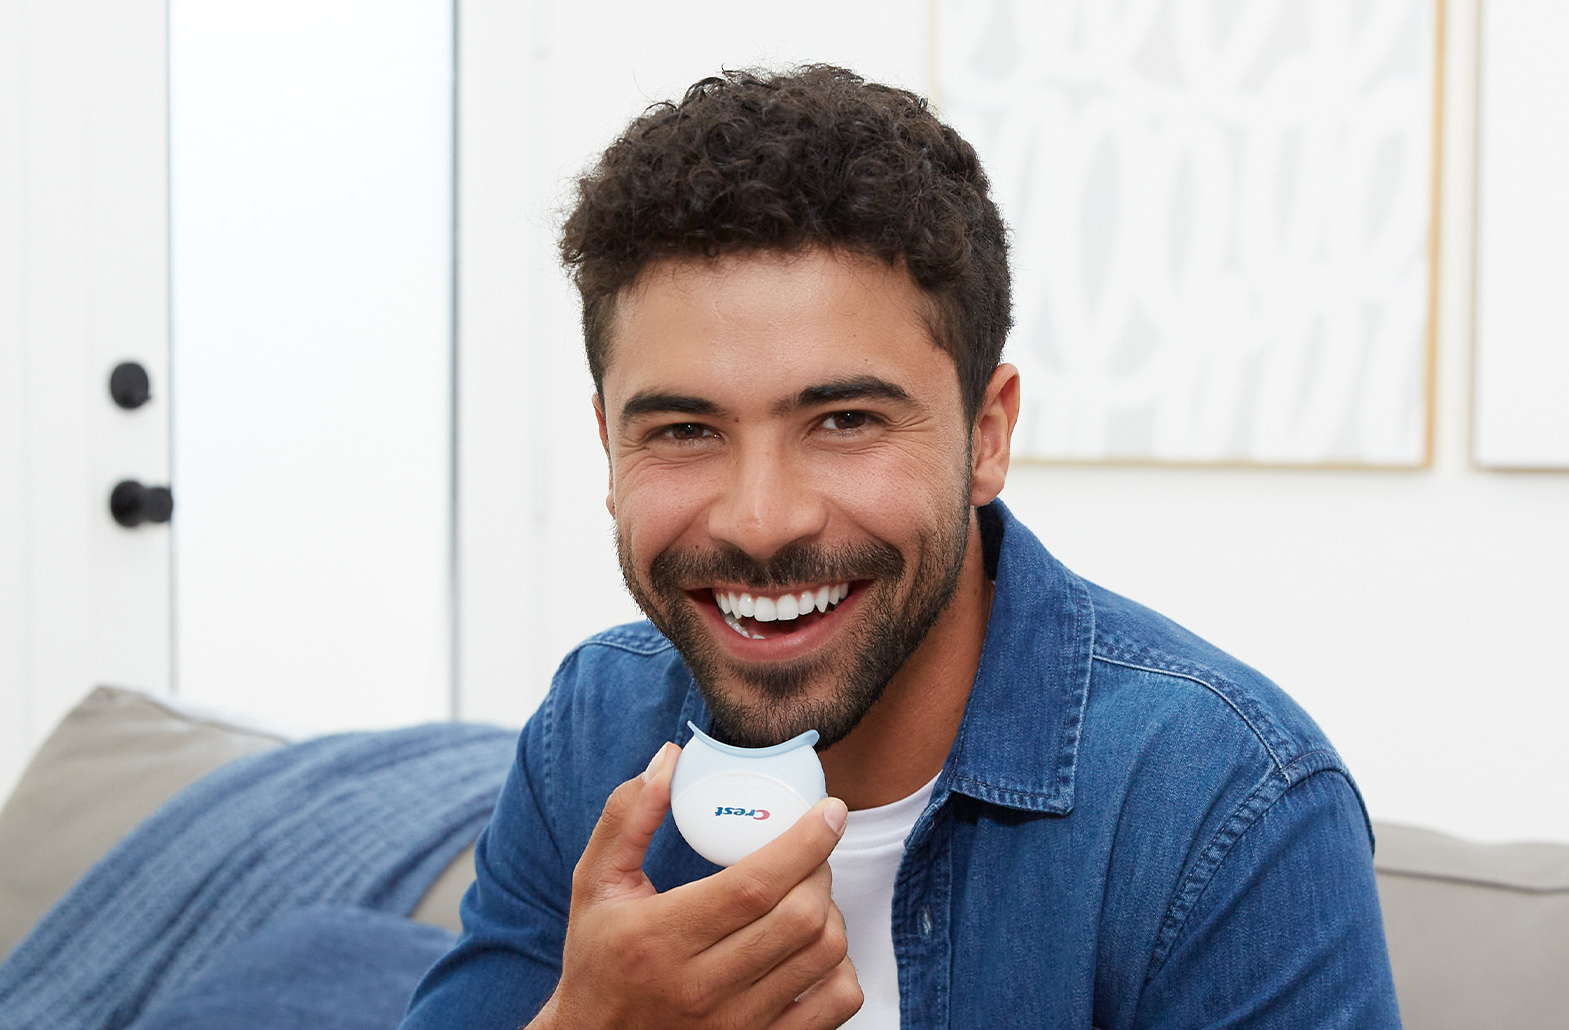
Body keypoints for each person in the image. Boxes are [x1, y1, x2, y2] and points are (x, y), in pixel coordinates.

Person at [401, 65, 1398, 1030]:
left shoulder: (1226, 802)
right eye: (684, 430)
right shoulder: (595, 729)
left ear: (987, 435)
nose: (759, 520)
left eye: (842, 420)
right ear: (608, 447)